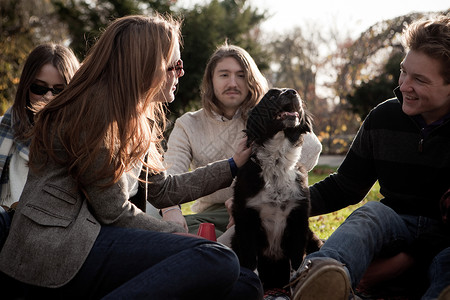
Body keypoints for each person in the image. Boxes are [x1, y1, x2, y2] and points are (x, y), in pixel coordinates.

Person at [0, 14, 263, 299]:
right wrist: (178, 237)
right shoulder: (94, 114)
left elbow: (163, 190)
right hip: (57, 251)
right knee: (218, 260)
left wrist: (232, 165)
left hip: (95, 243)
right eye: (174, 66)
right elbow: (114, 212)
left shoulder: (134, 118)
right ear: (147, 67)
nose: (181, 73)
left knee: (244, 284)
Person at [288, 16, 450, 300]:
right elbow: (345, 186)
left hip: (445, 238)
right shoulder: (383, 117)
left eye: (420, 80)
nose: (404, 86)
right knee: (370, 214)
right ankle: (321, 276)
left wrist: (410, 258)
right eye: (404, 72)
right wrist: (284, 206)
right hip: (395, 227)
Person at [160, 43, 323, 236]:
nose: (233, 83)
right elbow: (170, 177)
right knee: (158, 222)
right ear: (210, 80)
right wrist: (171, 212)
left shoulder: (266, 118)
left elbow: (312, 148)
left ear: (251, 80)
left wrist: (247, 195)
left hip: (263, 209)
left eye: (241, 75)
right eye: (224, 75)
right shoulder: (188, 124)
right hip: (209, 216)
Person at [0, 43, 80, 249]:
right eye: (39, 88)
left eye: (59, 90)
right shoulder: (5, 128)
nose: (48, 97)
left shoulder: (84, 140)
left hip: (52, 241)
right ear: (26, 87)